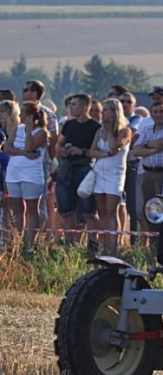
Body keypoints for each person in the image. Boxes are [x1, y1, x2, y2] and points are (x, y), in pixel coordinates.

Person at [55, 94, 101, 243]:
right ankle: (70, 244)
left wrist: (80, 150)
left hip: (85, 168)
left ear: (84, 107)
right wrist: (61, 150)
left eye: (74, 105)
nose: (71, 108)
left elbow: (95, 150)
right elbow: (58, 144)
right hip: (67, 168)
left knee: (89, 211)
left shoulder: (95, 127)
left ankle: (93, 243)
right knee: (67, 210)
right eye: (70, 105)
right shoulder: (68, 124)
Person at [86, 98, 131, 253]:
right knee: (102, 211)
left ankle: (113, 247)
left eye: (106, 110)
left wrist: (110, 130)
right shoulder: (99, 131)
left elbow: (114, 146)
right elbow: (91, 152)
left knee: (112, 211)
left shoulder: (125, 131)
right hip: (99, 173)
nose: (102, 113)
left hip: (115, 174)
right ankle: (104, 244)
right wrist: (105, 154)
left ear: (114, 112)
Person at [2, 101, 49, 246]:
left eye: (23, 114)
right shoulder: (17, 129)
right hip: (14, 173)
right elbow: (7, 148)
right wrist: (23, 153)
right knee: (17, 208)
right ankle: (18, 242)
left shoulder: (42, 132)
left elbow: (31, 145)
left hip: (32, 175)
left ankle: (30, 243)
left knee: (32, 209)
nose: (20, 116)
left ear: (30, 116)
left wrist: (29, 129)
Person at [132, 101, 163, 232]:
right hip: (148, 174)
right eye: (155, 112)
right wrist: (154, 148)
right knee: (150, 210)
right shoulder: (147, 129)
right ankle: (153, 243)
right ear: (151, 114)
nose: (158, 115)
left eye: (161, 111)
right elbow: (135, 150)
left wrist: (146, 146)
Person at [22, 80, 59, 227]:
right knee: (22, 202)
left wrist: (50, 160)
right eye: (24, 90)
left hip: (40, 162)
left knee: (39, 201)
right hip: (21, 162)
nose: (24, 92)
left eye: (28, 90)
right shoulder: (21, 110)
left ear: (35, 93)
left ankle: (38, 236)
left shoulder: (47, 113)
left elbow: (54, 138)